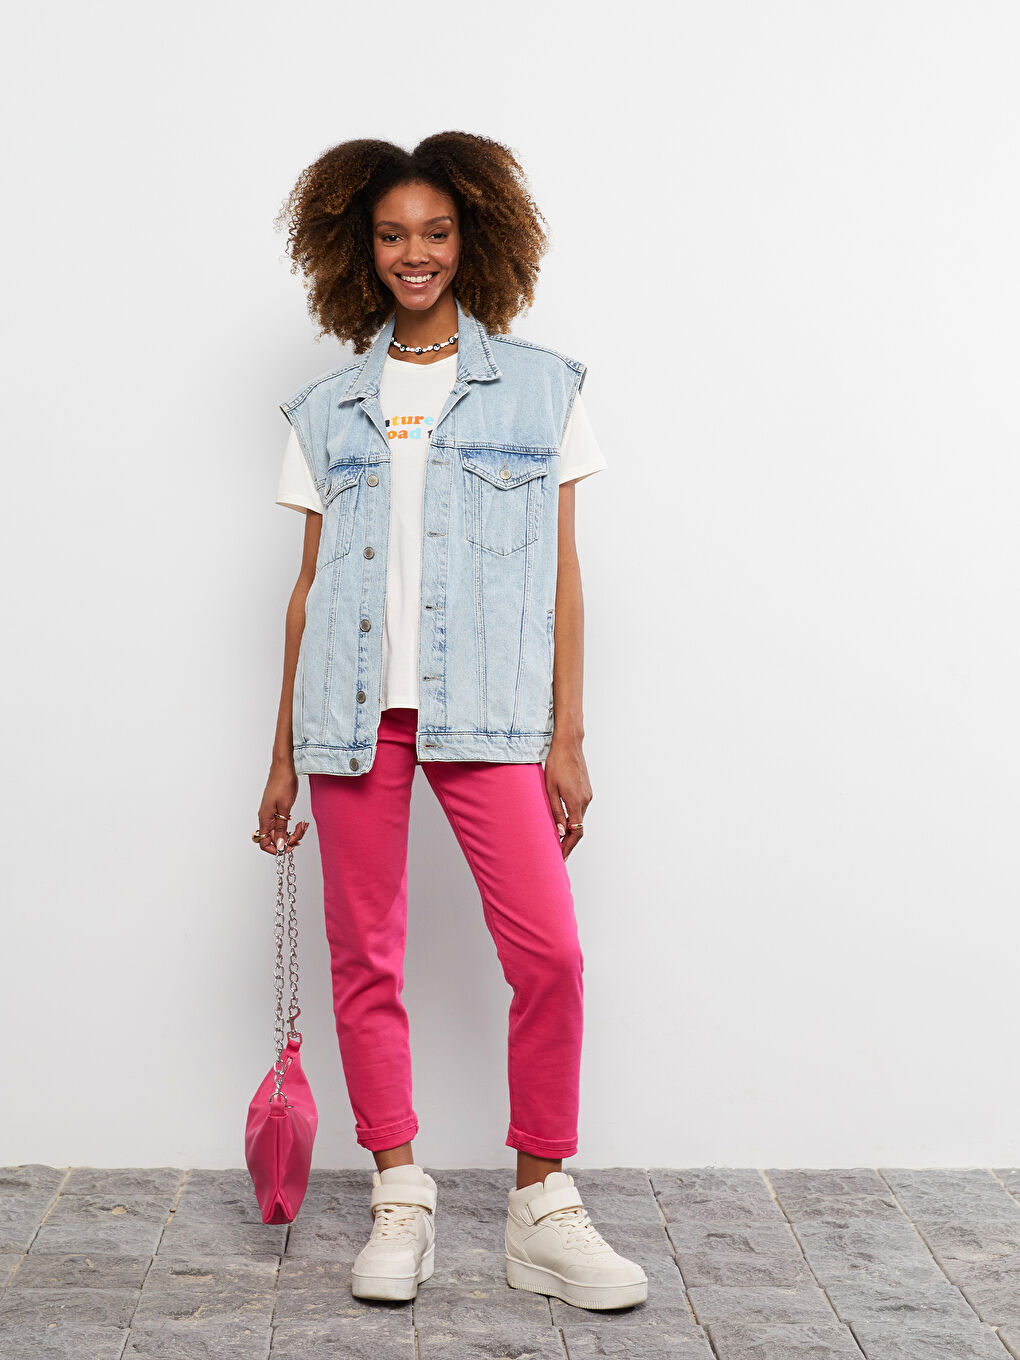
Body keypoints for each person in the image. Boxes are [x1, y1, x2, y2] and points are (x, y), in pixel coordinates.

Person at [257, 132, 648, 1312]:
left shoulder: (542, 386)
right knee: (366, 958)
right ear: (357, 248)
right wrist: (278, 754)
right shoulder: (327, 406)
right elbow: (309, 588)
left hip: (489, 718)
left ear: (472, 235)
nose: (414, 253)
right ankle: (398, 1198)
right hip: (348, 716)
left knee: (552, 956)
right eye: (391, 234)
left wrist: (565, 736)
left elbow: (565, 579)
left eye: (435, 231)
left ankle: (543, 1204)